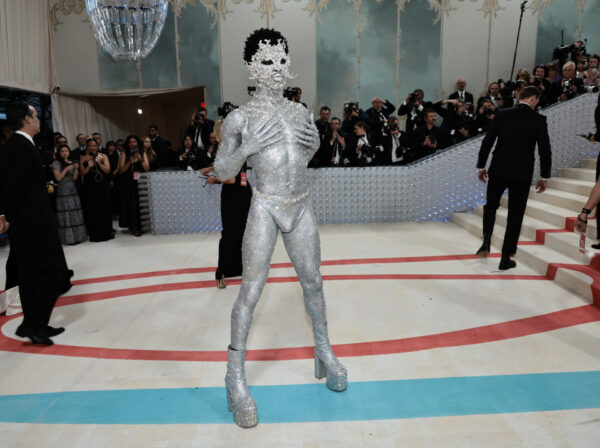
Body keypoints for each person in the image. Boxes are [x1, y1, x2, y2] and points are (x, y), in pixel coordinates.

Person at [213, 28, 347, 428]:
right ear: (251, 67)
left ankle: (324, 350)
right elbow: (221, 170)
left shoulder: (301, 111)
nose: (275, 69)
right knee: (251, 291)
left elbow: (306, 155)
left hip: (301, 205)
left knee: (314, 282)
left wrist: (316, 143)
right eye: (266, 62)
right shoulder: (239, 117)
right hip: (266, 205)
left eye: (280, 61)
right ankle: (234, 375)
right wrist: (247, 149)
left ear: (289, 65)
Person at [0, 102, 70, 345]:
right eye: (36, 116)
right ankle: (32, 323)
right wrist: (6, 215)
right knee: (56, 271)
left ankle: (36, 324)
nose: (39, 119)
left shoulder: (18, 145)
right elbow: (12, 187)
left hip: (27, 222)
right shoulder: (20, 146)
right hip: (33, 224)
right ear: (27, 119)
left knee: (31, 275)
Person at [475, 86, 552, 270]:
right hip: (522, 173)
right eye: (537, 101)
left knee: (491, 206)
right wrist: (544, 176)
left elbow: (488, 141)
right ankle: (505, 258)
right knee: (515, 215)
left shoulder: (501, 114)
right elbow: (544, 150)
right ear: (533, 98)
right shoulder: (539, 119)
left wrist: (481, 166)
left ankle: (486, 240)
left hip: (498, 168)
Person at [51, 145, 87, 245]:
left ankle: (78, 237)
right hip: (63, 191)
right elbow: (58, 178)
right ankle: (69, 238)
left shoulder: (72, 162)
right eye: (62, 151)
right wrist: (67, 169)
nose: (65, 153)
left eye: (66, 151)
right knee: (66, 214)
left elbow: (75, 178)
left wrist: (76, 169)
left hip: (73, 190)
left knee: (75, 212)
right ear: (59, 152)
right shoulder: (56, 163)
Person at [80, 137, 113, 242]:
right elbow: (82, 173)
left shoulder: (103, 156)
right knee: (93, 210)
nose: (92, 147)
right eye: (90, 146)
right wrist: (89, 166)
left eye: (94, 145)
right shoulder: (83, 158)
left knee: (104, 208)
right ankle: (95, 234)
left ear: (97, 146)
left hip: (102, 186)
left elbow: (108, 171)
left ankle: (107, 232)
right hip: (90, 187)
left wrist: (99, 163)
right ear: (87, 147)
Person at [118, 135, 150, 236]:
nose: (132, 144)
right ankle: (134, 227)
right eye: (130, 142)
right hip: (128, 182)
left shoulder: (142, 153)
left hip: (140, 181)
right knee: (132, 204)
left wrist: (140, 160)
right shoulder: (124, 154)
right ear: (128, 143)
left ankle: (142, 226)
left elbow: (147, 169)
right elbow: (121, 170)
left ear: (137, 143)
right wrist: (129, 162)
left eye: (134, 142)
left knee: (140, 203)